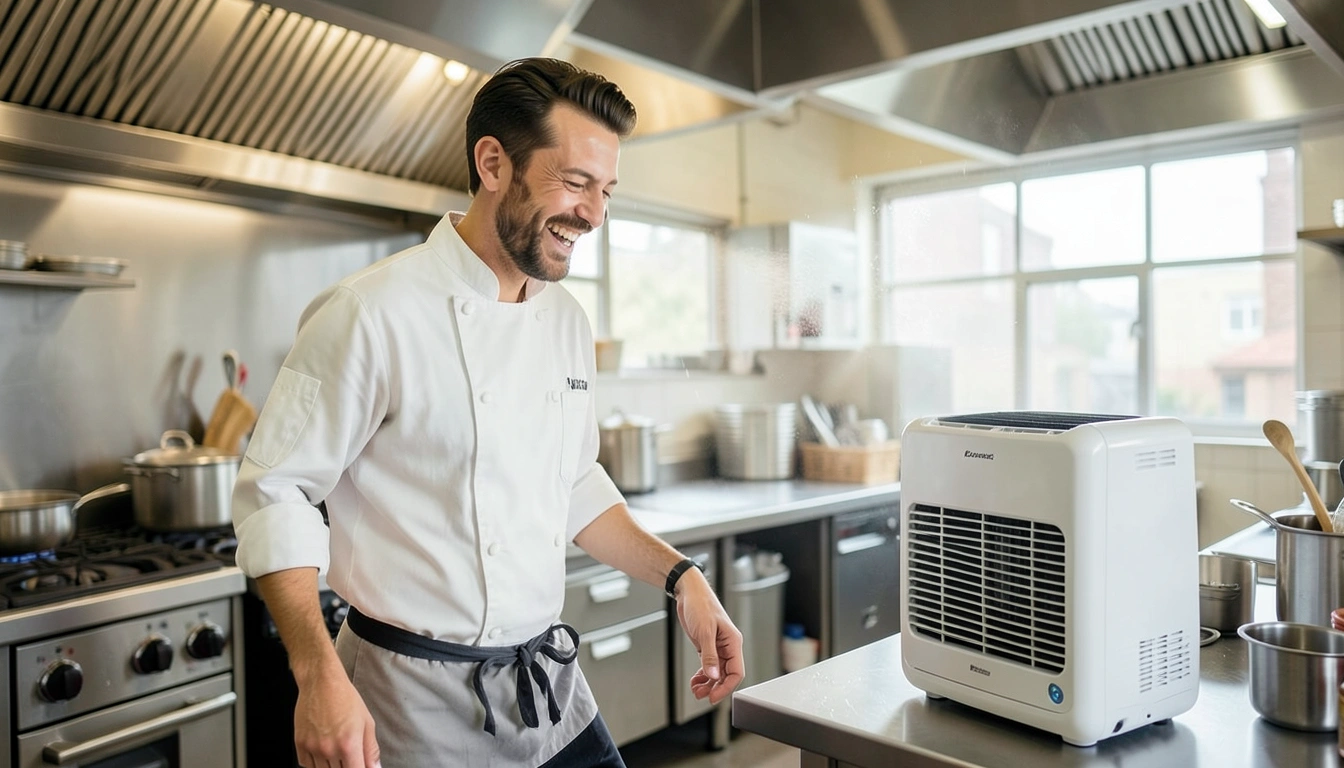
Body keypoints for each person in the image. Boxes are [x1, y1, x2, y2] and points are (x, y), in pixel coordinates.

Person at [231, 57, 745, 768]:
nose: (594, 214)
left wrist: (682, 578)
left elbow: (574, 484)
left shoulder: (565, 321)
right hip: (409, 707)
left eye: (605, 190)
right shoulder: (370, 312)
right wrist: (318, 675)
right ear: (493, 162)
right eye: (575, 182)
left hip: (547, 691)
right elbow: (276, 494)